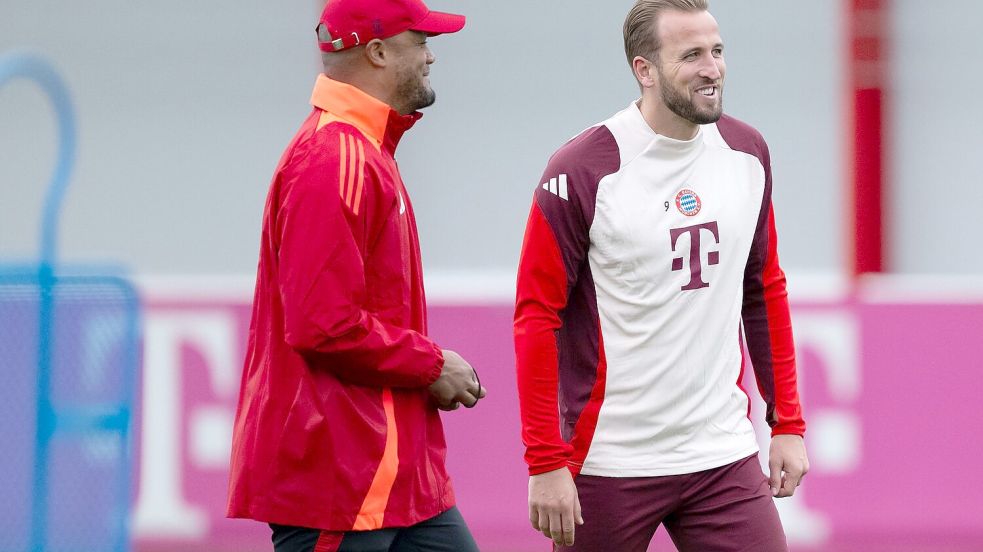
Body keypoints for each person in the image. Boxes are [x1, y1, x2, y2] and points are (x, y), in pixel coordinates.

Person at [513, 1, 809, 550]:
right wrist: (546, 461)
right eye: (691, 55)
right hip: (610, 459)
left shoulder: (747, 153)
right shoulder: (582, 170)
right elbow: (536, 316)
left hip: (721, 455)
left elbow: (763, 288)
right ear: (643, 70)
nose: (712, 68)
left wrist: (787, 422)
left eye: (717, 52)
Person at [226, 1, 485, 550]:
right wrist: (432, 364)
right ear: (379, 51)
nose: (431, 54)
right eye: (421, 41)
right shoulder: (332, 158)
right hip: (338, 482)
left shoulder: (361, 150)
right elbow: (322, 323)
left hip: (393, 480)